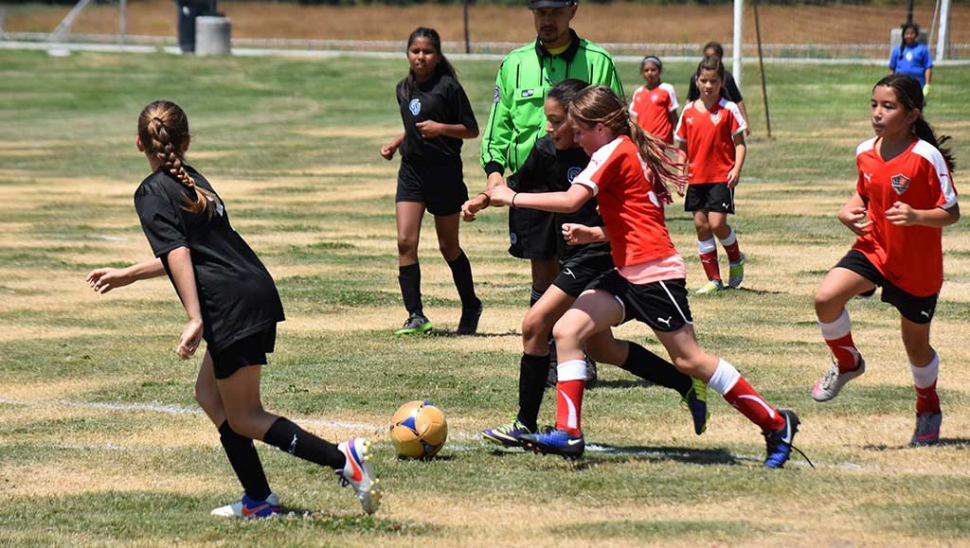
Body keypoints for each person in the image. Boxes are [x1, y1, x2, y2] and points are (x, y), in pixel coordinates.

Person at [85, 100, 381, 518]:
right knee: (209, 395)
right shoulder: (193, 180)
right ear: (185, 142)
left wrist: (194, 317)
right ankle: (258, 500)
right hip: (251, 289)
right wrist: (130, 273)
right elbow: (192, 251)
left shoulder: (152, 190)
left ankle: (341, 459)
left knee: (245, 416)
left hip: (230, 305)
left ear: (138, 143)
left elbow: (180, 253)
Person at [487, 85, 802, 469]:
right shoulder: (622, 149)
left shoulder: (611, 150)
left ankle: (775, 422)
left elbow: (572, 201)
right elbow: (638, 216)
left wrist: (512, 197)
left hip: (655, 273)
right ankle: (569, 433)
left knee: (690, 360)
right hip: (625, 271)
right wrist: (597, 235)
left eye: (580, 131)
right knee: (567, 331)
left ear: (601, 127)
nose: (577, 139)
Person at [480, 80, 709, 448]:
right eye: (549, 122)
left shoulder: (605, 151)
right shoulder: (548, 149)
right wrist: (485, 197)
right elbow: (516, 183)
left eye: (557, 122)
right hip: (582, 252)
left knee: (535, 324)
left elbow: (630, 215)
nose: (549, 129)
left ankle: (525, 422)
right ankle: (685, 384)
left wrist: (520, 202)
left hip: (603, 257)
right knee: (602, 349)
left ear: (579, 121)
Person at [464, 0, 623, 384]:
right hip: (532, 182)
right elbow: (499, 126)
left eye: (554, 12)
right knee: (543, 270)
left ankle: (581, 349)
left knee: (582, 267)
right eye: (539, 12)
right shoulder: (514, 63)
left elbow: (616, 121)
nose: (547, 20)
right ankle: (551, 352)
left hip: (581, 182)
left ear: (572, 10)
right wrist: (494, 174)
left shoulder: (597, 61)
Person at [811, 74, 958, 446]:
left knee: (916, 347)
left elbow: (951, 212)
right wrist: (848, 211)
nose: (878, 113)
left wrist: (917, 217)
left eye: (888, 106)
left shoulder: (926, 156)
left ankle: (928, 406)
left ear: (911, 115)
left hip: (917, 266)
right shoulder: (865, 151)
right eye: (874, 105)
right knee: (825, 298)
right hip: (875, 248)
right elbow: (864, 194)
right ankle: (847, 363)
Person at [381, 27, 482, 336]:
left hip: (444, 173)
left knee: (448, 246)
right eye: (415, 51)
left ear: (437, 56)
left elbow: (471, 129)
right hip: (412, 172)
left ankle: (471, 304)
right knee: (405, 242)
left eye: (427, 52)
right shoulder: (403, 88)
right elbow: (414, 124)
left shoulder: (449, 88)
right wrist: (398, 142)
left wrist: (442, 128)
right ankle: (415, 315)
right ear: (407, 54)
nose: (420, 57)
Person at [676, 56, 748, 295]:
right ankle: (714, 280)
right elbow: (682, 146)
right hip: (697, 177)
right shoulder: (688, 111)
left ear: (721, 83)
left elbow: (740, 143)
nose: (708, 86)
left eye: (713, 81)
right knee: (701, 224)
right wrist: (679, 171)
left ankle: (736, 258)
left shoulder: (728, 109)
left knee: (717, 223)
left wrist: (736, 169)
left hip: (721, 175)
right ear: (697, 81)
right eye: (704, 80)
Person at [686, 42, 750, 137]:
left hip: (720, 122)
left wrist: (745, 121)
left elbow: (738, 99)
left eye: (713, 81)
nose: (708, 85)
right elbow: (689, 98)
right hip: (701, 121)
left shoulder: (727, 78)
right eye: (707, 56)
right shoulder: (696, 77)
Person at [629, 55, 679, 145]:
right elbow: (634, 118)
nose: (650, 73)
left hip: (660, 139)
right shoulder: (638, 92)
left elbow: (673, 116)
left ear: (659, 71)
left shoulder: (667, 89)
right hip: (644, 139)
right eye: (646, 70)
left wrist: (677, 134)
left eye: (653, 70)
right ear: (642, 73)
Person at [889, 23, 933, 93]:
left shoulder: (923, 49)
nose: (909, 36)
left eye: (912, 33)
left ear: (916, 35)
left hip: (918, 85)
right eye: (907, 33)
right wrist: (890, 83)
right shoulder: (897, 50)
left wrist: (927, 85)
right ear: (903, 35)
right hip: (900, 85)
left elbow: (928, 68)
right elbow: (892, 69)